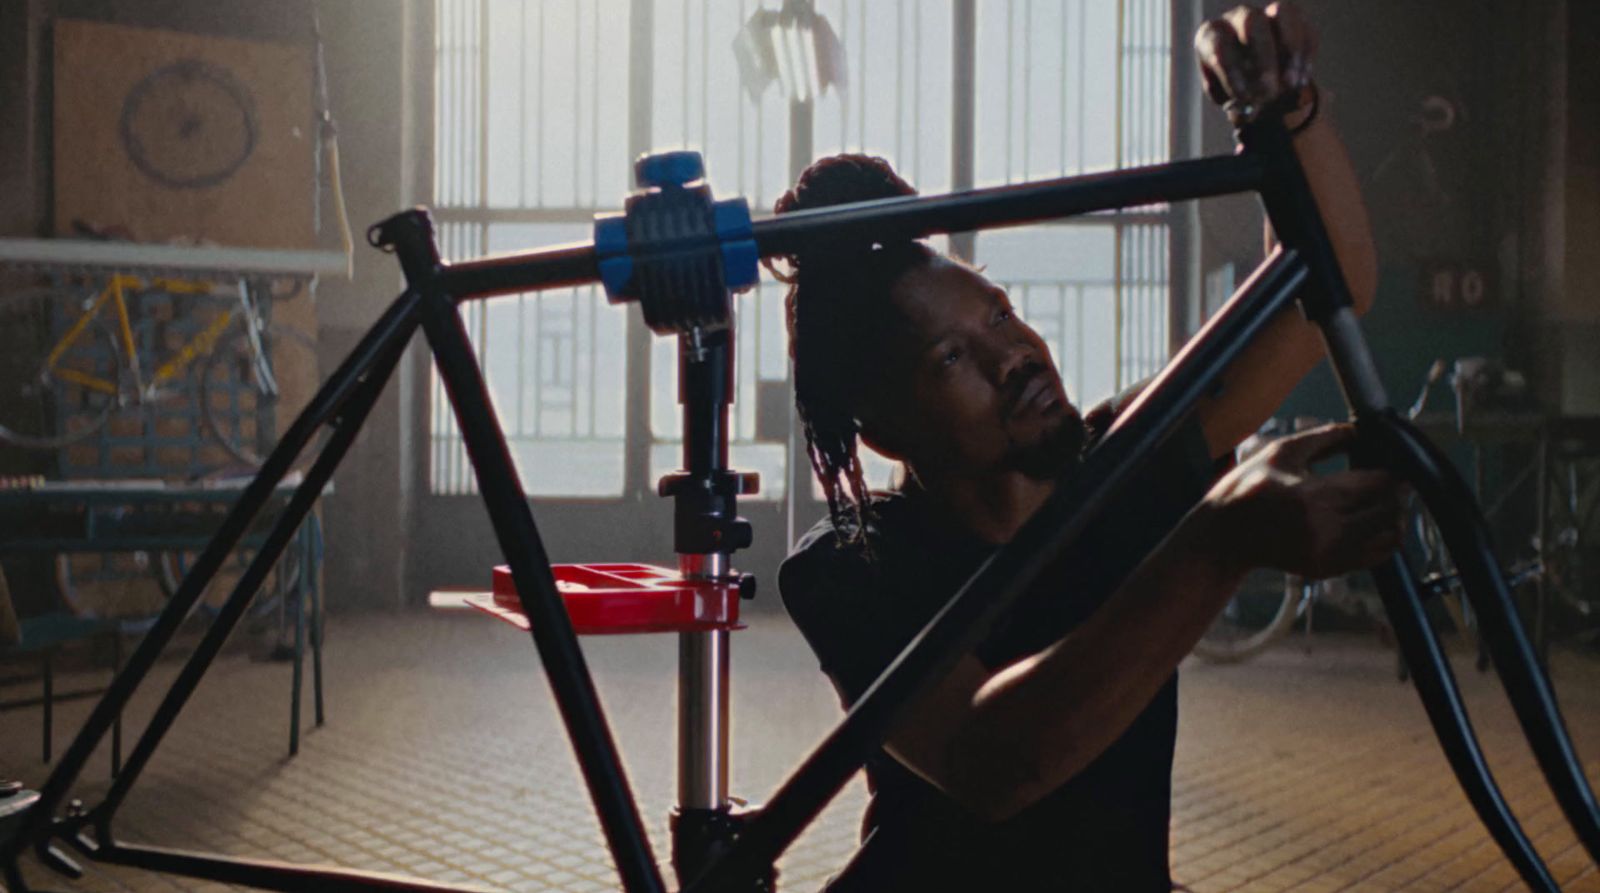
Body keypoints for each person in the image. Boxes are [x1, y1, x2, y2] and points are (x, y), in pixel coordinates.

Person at [772, 4, 1401, 890]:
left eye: (998, 311)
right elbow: (996, 765)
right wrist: (1220, 538)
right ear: (881, 431)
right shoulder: (850, 565)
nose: (1013, 353)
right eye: (951, 356)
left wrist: (1283, 111)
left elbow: (1324, 294)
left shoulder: (1127, 455)